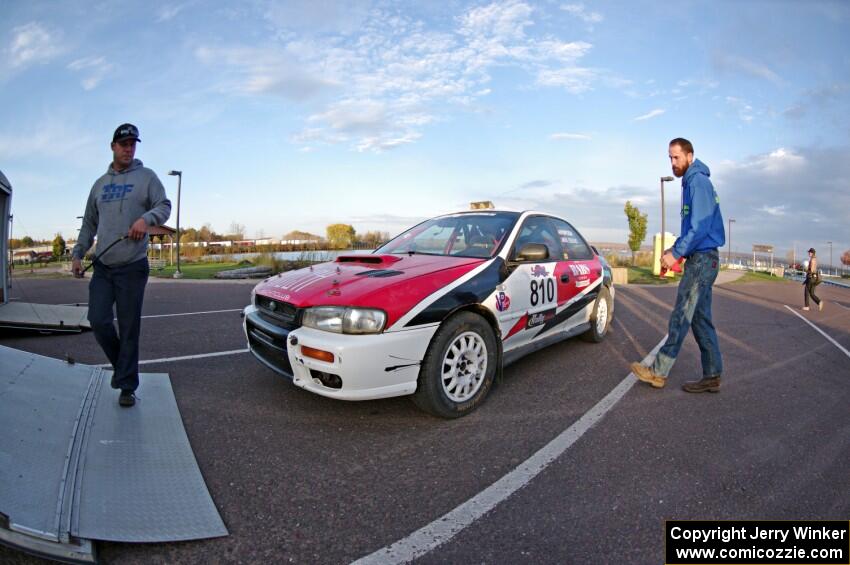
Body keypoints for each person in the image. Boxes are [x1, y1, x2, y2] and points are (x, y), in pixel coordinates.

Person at [72, 124, 171, 407]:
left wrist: (147, 219)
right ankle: (123, 368)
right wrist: (78, 254)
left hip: (132, 266)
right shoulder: (100, 185)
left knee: (129, 328)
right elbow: (89, 224)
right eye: (123, 144)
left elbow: (164, 205)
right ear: (113, 147)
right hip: (102, 266)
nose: (129, 148)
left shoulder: (147, 177)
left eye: (132, 144)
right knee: (98, 320)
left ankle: (127, 386)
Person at [631, 138, 725, 393]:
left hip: (703, 260)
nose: (673, 163)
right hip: (703, 258)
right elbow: (695, 228)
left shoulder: (698, 182)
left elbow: (700, 226)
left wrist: (677, 253)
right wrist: (676, 251)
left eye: (676, 157)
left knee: (682, 315)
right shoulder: (692, 181)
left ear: (689, 156)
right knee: (700, 320)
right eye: (670, 158)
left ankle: (658, 371)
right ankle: (713, 375)